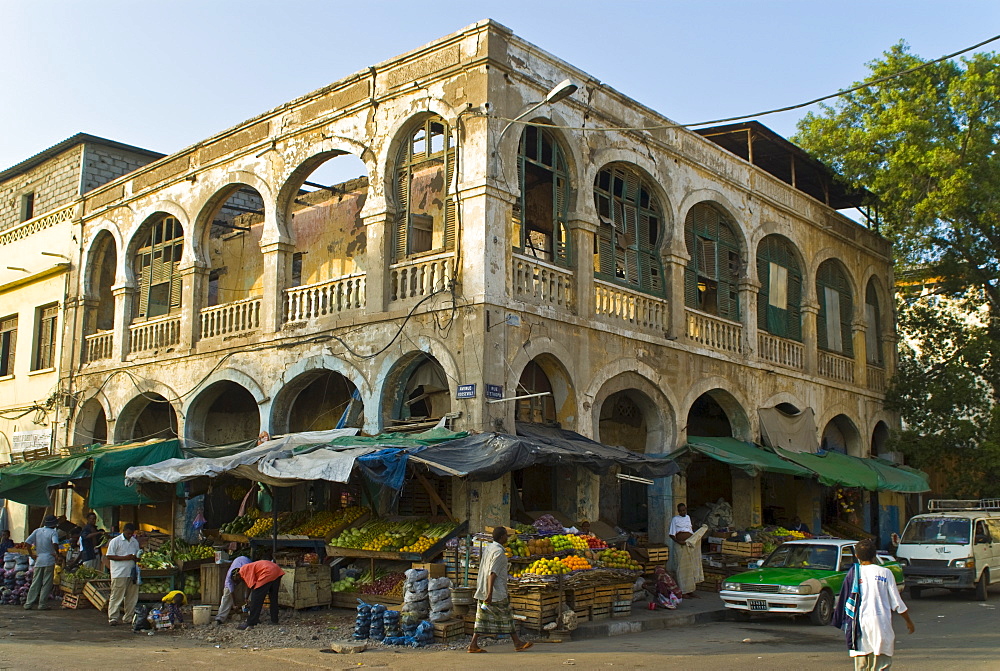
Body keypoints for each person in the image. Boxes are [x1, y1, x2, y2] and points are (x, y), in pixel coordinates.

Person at [833, 538, 915, 670]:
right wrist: (909, 621)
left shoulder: (853, 574)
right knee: (881, 665)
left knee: (861, 667)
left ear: (857, 555)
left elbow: (844, 600)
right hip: (880, 627)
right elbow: (897, 602)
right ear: (875, 554)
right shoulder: (885, 573)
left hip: (858, 628)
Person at [468, 526, 533, 653]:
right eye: (506, 536)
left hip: (484, 590)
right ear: (502, 537)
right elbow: (493, 573)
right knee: (507, 616)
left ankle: (473, 644)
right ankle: (517, 643)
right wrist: (490, 593)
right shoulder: (499, 553)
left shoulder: (489, 548)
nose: (507, 538)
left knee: (482, 618)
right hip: (495, 593)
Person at [231, 559, 284, 630]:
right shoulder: (248, 567)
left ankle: (251, 622)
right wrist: (247, 597)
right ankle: (274, 620)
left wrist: (250, 600)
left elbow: (252, 586)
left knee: (256, 598)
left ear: (237, 575)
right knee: (273, 597)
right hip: (276, 570)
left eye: (236, 580)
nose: (237, 581)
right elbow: (251, 585)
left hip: (267, 572)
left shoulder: (243, 571)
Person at [668, 503, 707, 598]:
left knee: (691, 567)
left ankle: (691, 590)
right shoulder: (675, 519)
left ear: (686, 509)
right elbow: (671, 534)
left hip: (689, 544)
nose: (682, 512)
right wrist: (679, 542)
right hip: (680, 545)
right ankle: (683, 591)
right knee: (682, 568)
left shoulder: (688, 517)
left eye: (684, 510)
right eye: (680, 511)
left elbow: (690, 531)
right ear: (678, 511)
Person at [106, 523, 140, 626]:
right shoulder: (115, 541)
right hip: (119, 573)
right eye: (128, 533)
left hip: (132, 573)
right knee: (117, 596)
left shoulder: (134, 542)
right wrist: (126, 557)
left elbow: (137, 554)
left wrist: (136, 558)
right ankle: (113, 618)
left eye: (131, 533)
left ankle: (128, 617)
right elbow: (109, 556)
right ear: (124, 531)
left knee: (131, 597)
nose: (130, 535)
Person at [23, 515, 61, 610]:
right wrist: (57, 553)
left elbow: (27, 542)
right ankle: (42, 604)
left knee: (36, 582)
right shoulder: (53, 532)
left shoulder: (37, 531)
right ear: (54, 524)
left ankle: (28, 603)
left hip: (39, 559)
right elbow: (55, 543)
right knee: (47, 583)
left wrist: (31, 554)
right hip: (49, 559)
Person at [215, 555, 251, 624]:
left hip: (245, 565)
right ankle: (220, 617)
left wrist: (246, 597)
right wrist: (234, 605)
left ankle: (252, 614)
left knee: (253, 592)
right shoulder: (229, 578)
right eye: (234, 582)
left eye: (237, 581)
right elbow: (231, 592)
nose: (236, 583)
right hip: (238, 563)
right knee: (226, 594)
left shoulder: (246, 571)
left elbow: (249, 585)